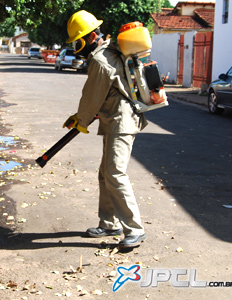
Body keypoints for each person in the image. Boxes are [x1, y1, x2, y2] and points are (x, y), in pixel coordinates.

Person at [63, 10, 148, 248]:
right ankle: (109, 223)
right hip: (115, 119)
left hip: (121, 121)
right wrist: (80, 117)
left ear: (89, 37)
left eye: (78, 40)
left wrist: (82, 119)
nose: (77, 46)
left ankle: (135, 229)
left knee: (115, 172)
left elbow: (92, 97)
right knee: (106, 173)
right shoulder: (112, 50)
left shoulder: (101, 60)